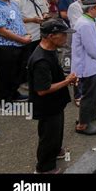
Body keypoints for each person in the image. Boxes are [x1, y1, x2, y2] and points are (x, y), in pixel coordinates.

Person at [28, 19, 77, 174]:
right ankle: (44, 168)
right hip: (46, 106)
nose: (65, 38)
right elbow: (43, 89)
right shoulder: (41, 59)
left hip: (56, 103)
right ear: (50, 36)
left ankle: (56, 150)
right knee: (48, 136)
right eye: (62, 35)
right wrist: (67, 81)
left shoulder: (52, 50)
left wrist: (65, 78)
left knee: (56, 131)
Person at [71, 0, 96, 135]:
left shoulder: (88, 20)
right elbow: (93, 48)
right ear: (92, 9)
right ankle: (83, 124)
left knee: (94, 93)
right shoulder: (85, 24)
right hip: (87, 66)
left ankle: (88, 115)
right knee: (89, 95)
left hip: (91, 64)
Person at [0, 0, 32, 102]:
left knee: (17, 72)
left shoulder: (11, 3)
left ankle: (13, 93)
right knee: (5, 74)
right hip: (6, 46)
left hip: (20, 43)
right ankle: (3, 99)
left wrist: (26, 33)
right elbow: (1, 30)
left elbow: (18, 21)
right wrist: (22, 39)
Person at [13, 0, 50, 85]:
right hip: (26, 34)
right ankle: (24, 81)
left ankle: (34, 78)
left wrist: (45, 14)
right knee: (25, 60)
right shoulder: (17, 0)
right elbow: (14, 19)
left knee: (37, 58)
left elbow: (44, 9)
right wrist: (31, 20)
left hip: (39, 33)